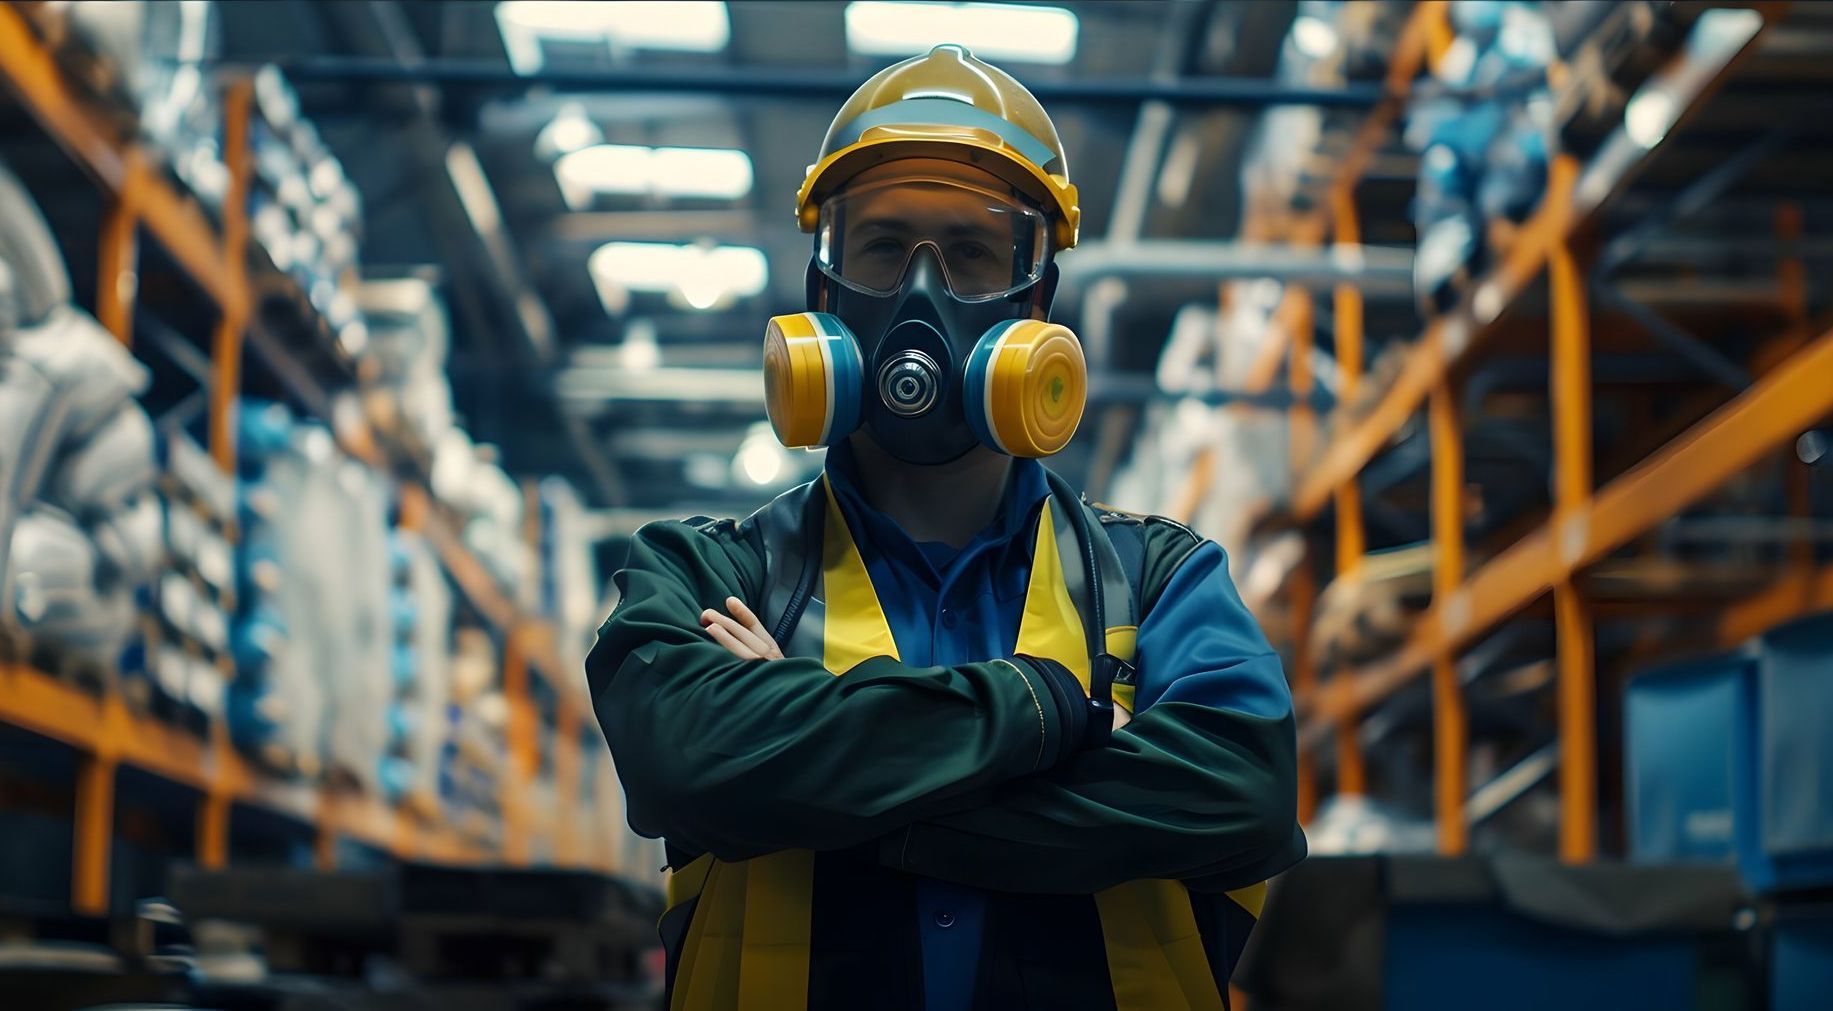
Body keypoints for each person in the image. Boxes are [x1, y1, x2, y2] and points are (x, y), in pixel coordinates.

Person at [588, 44, 1304, 1011]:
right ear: (823, 291)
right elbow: (682, 760)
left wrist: (814, 780)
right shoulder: (706, 567)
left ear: (1035, 300)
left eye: (971, 253)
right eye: (882, 246)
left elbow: (1244, 799)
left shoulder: (1161, 574)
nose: (921, 297)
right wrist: (1055, 708)